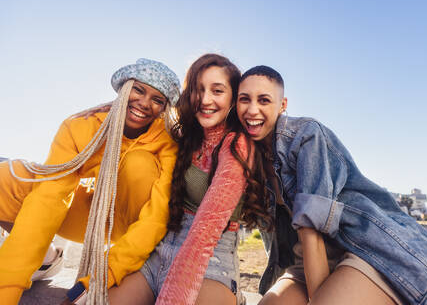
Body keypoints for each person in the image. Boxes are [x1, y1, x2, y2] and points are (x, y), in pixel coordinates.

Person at [235, 65, 427, 305]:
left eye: (264, 100)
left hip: (360, 250)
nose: (252, 109)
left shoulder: (305, 135)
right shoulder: (246, 157)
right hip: (305, 262)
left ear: (283, 105)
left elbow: (312, 233)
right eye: (244, 99)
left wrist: (317, 299)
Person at [0, 58, 180, 304]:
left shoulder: (167, 143)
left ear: (164, 108)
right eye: (138, 89)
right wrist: (6, 289)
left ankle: (129, 268)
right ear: (124, 88)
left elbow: (156, 218)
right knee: (7, 177)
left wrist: (97, 279)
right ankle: (46, 259)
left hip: (125, 224)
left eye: (157, 99)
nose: (144, 103)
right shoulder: (80, 125)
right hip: (79, 214)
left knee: (140, 164)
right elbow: (49, 198)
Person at [106, 53, 272, 305]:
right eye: (198, 89)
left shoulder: (237, 145)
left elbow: (205, 233)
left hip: (211, 260)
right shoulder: (184, 136)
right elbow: (140, 122)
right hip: (159, 251)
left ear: (233, 98)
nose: (205, 100)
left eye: (217, 91)